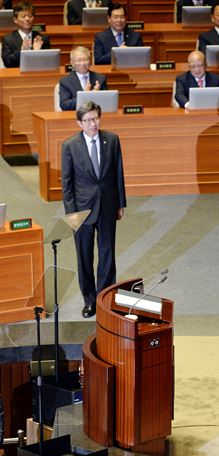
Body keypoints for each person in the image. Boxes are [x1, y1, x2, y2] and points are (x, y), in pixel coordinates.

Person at [61, 102, 126, 318]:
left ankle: (105, 299)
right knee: (84, 257)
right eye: (88, 120)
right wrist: (71, 214)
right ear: (79, 123)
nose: (93, 124)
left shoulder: (112, 140)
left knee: (107, 255)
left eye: (96, 118)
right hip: (81, 211)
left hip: (107, 206)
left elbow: (118, 173)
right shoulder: (70, 146)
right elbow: (67, 184)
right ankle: (89, 301)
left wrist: (121, 203)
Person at [1, 2, 51, 68]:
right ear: (15, 20)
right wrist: (22, 50)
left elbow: (49, 63)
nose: (27, 19)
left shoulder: (43, 39)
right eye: (23, 16)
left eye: (30, 16)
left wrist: (37, 53)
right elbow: (7, 63)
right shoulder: (8, 39)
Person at [58, 46, 108, 111]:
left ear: (90, 61)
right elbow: (64, 105)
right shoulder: (65, 82)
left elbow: (107, 102)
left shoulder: (100, 79)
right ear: (72, 63)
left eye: (85, 59)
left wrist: (97, 96)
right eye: (78, 60)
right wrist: (84, 96)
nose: (82, 63)